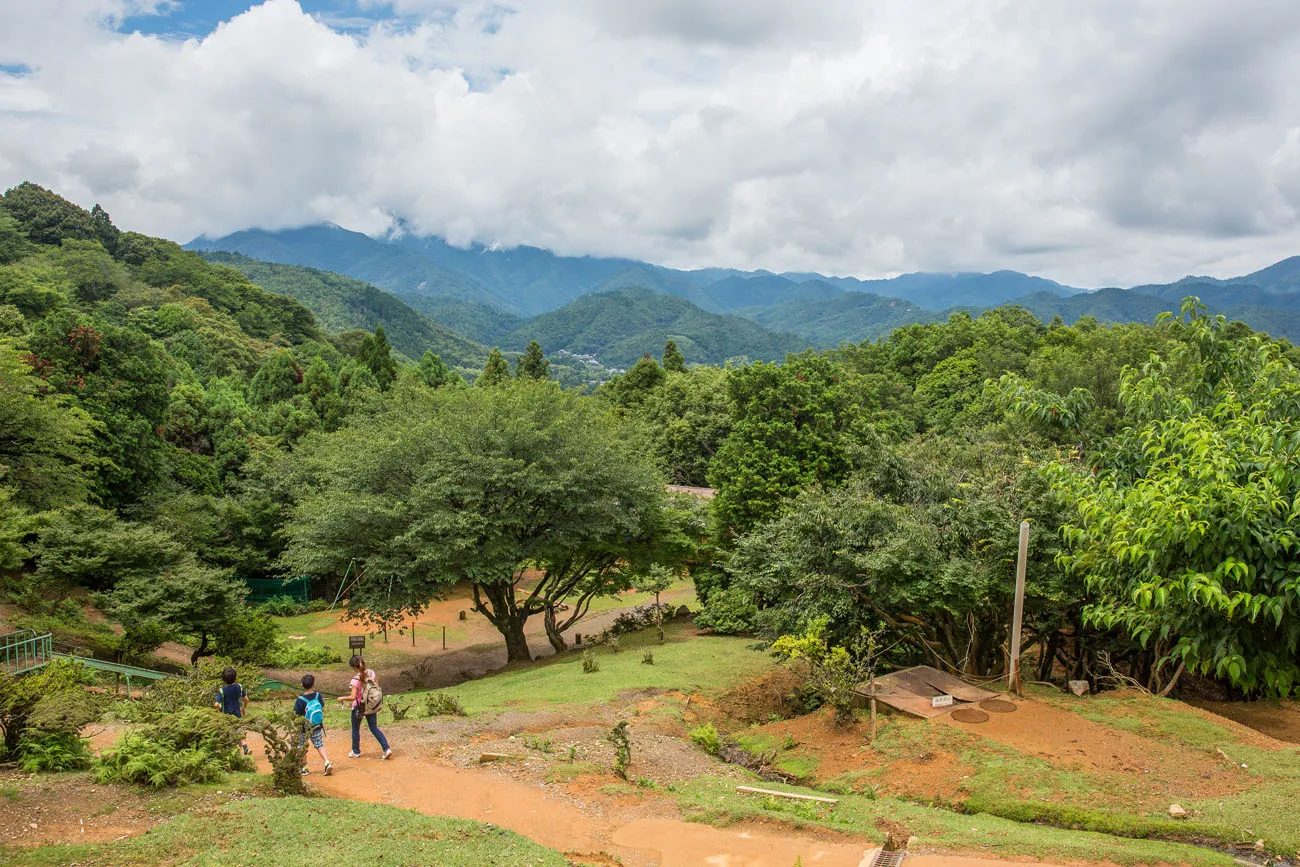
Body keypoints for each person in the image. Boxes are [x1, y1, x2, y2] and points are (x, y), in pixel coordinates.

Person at [337, 654, 391, 760]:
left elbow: (353, 697)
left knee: (355, 729)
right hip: (371, 705)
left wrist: (342, 698)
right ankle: (386, 748)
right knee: (373, 727)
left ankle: (356, 751)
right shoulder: (371, 673)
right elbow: (377, 687)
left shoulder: (355, 680)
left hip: (359, 707)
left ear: (353, 667)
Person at [293, 674, 333, 776]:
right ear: (313, 684)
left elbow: (296, 714)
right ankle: (327, 762)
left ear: (301, 684)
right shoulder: (317, 695)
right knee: (319, 744)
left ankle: (304, 768)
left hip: (303, 727)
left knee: (302, 745)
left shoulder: (300, 699)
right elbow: (322, 707)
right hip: (316, 725)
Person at [213, 666, 252, 755]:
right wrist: (243, 708)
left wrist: (219, 710)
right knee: (238, 731)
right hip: (237, 714)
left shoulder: (222, 691)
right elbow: (246, 699)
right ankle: (245, 748)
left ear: (223, 679)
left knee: (228, 733)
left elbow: (215, 705)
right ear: (235, 677)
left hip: (226, 716)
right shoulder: (239, 687)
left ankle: (229, 753)